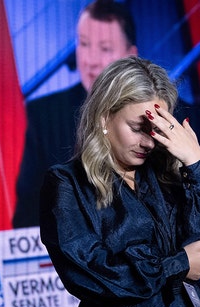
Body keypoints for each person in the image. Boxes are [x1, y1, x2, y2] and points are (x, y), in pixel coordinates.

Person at [39, 56, 200, 307]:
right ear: (104, 119)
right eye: (137, 128)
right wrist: (176, 264)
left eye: (154, 130)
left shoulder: (164, 172)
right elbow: (88, 275)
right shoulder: (68, 183)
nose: (148, 143)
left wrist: (194, 163)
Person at [13, 0, 138, 228]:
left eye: (105, 48)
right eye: (84, 44)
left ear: (130, 56)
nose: (89, 60)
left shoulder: (171, 113)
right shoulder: (45, 116)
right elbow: (29, 214)